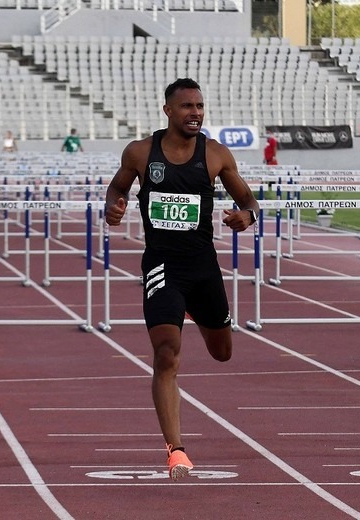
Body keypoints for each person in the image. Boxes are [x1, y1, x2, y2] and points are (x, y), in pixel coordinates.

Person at [105, 78, 259, 481]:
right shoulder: (140, 152)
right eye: (188, 106)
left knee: (222, 352)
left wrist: (247, 216)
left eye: (200, 106)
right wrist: (113, 209)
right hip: (162, 265)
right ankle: (176, 451)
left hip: (203, 267)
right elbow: (117, 188)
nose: (196, 113)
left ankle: (192, 310)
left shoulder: (216, 154)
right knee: (166, 353)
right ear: (168, 111)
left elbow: (248, 200)